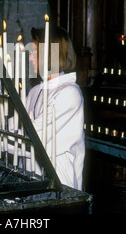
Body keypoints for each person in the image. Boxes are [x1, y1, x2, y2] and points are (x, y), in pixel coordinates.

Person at [25, 25, 85, 190]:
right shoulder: (35, 91)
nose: (30, 58)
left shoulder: (69, 93)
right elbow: (13, 128)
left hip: (60, 185)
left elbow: (32, 137)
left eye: (35, 53)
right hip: (32, 180)